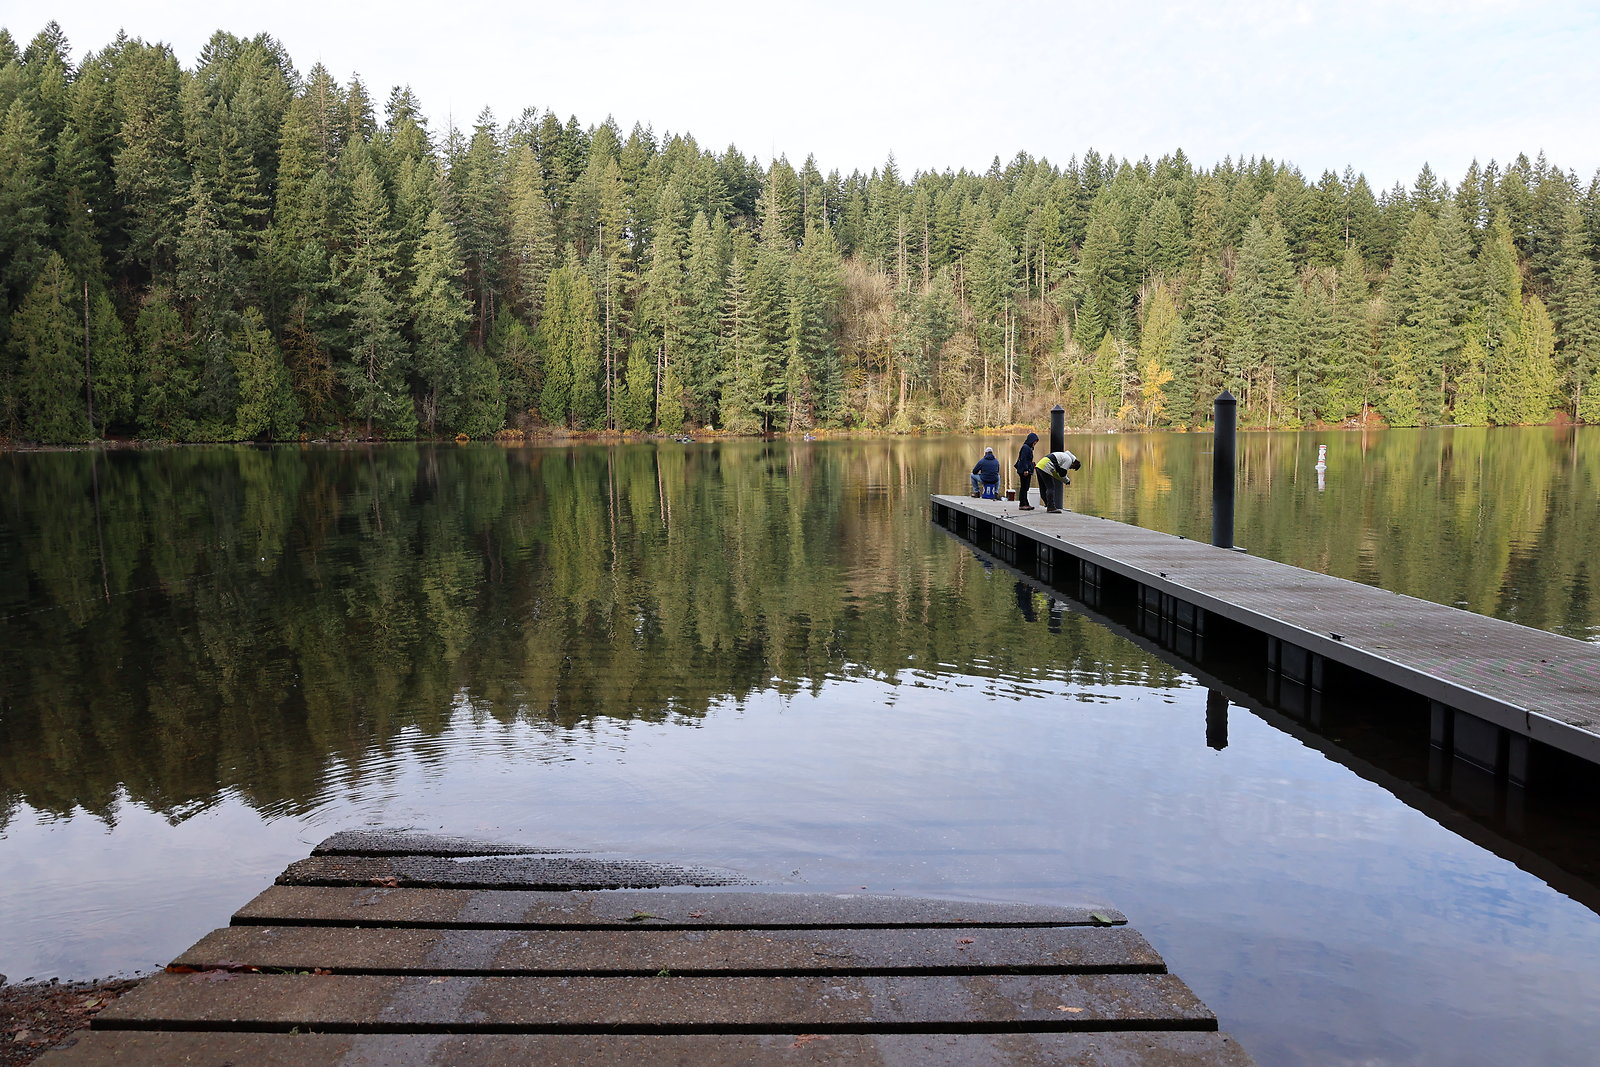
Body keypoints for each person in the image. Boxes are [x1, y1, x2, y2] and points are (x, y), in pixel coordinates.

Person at [1014, 432, 1039, 510]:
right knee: (1024, 487)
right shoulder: (1026, 448)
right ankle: (1022, 504)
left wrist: (1032, 465)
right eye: (1035, 441)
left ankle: (1026, 502)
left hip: (1027, 469)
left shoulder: (1028, 448)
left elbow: (1027, 460)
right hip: (1024, 471)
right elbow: (1023, 459)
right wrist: (1026, 469)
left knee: (1026, 487)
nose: (1035, 443)